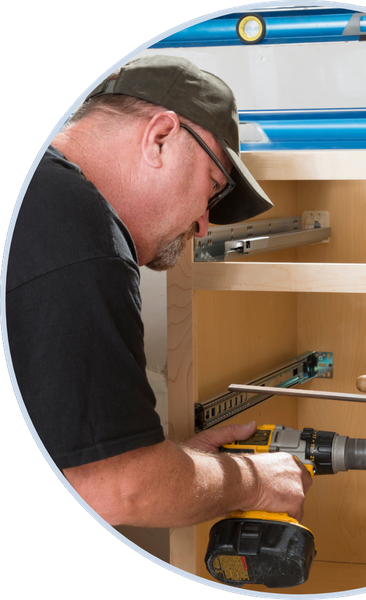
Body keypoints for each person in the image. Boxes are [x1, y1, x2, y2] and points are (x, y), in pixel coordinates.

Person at [5, 54, 312, 528]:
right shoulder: (81, 231)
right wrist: (253, 478)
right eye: (212, 188)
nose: (204, 225)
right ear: (161, 137)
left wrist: (172, 467)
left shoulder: (39, 197)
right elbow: (116, 490)